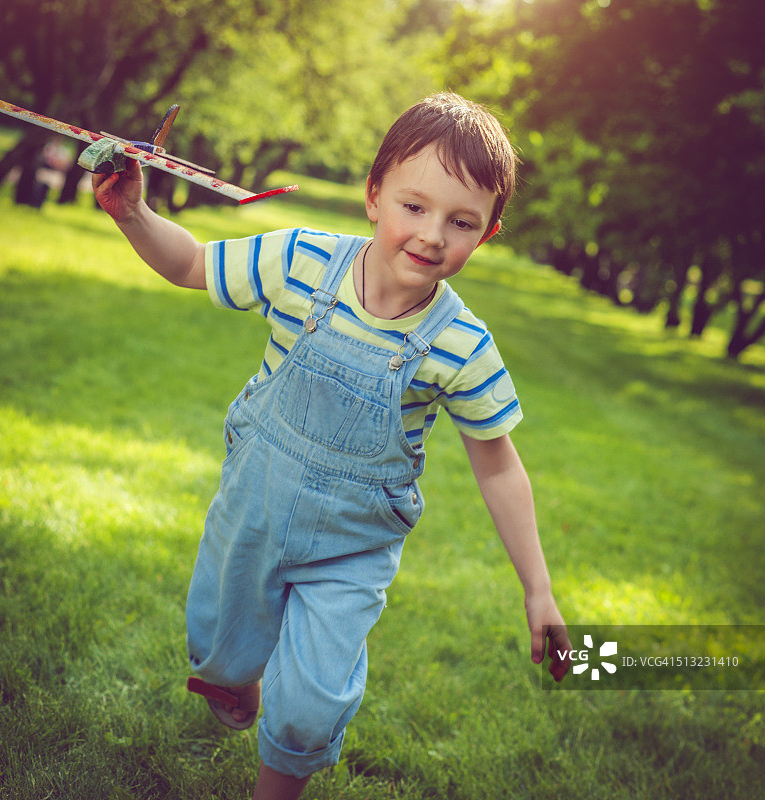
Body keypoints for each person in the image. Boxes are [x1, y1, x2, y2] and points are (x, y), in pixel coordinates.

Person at [92, 92, 572, 800]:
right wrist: (133, 212)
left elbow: (499, 466)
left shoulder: (462, 346)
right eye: (414, 206)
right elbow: (193, 264)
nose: (433, 234)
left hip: (351, 543)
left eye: (461, 221)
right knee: (219, 654)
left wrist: (539, 590)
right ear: (374, 194)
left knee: (312, 703)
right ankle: (240, 681)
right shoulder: (300, 260)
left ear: (488, 233)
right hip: (256, 504)